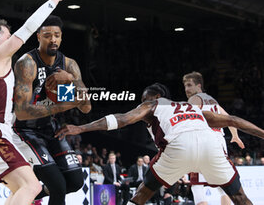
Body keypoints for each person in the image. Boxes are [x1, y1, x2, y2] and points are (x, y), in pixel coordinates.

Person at [55, 83, 264, 205]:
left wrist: (82, 128)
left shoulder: (153, 104)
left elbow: (123, 119)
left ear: (156, 97)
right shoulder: (192, 108)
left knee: (144, 191)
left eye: (144, 98)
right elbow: (233, 121)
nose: (141, 102)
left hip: (179, 146)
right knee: (238, 196)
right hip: (210, 145)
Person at [0, 0, 71, 205]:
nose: (12, 38)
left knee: (22, 189)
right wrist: (55, 0)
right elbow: (28, 28)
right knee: (31, 186)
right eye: (7, 35)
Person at [12, 14, 91, 205]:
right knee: (58, 186)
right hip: (24, 130)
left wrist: (71, 79)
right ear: (38, 36)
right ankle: (30, 194)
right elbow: (22, 112)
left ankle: (31, 196)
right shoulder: (27, 63)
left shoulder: (68, 65)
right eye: (47, 35)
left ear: (62, 37)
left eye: (56, 35)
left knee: (75, 181)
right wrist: (68, 103)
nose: (53, 39)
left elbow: (86, 107)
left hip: (49, 128)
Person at [183, 71, 244, 205]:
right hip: (219, 141)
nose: (186, 89)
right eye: (185, 86)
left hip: (204, 141)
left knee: (197, 186)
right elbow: (229, 119)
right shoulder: (212, 101)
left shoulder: (194, 99)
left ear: (199, 86)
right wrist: (235, 135)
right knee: (223, 186)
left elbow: (187, 123)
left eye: (189, 85)